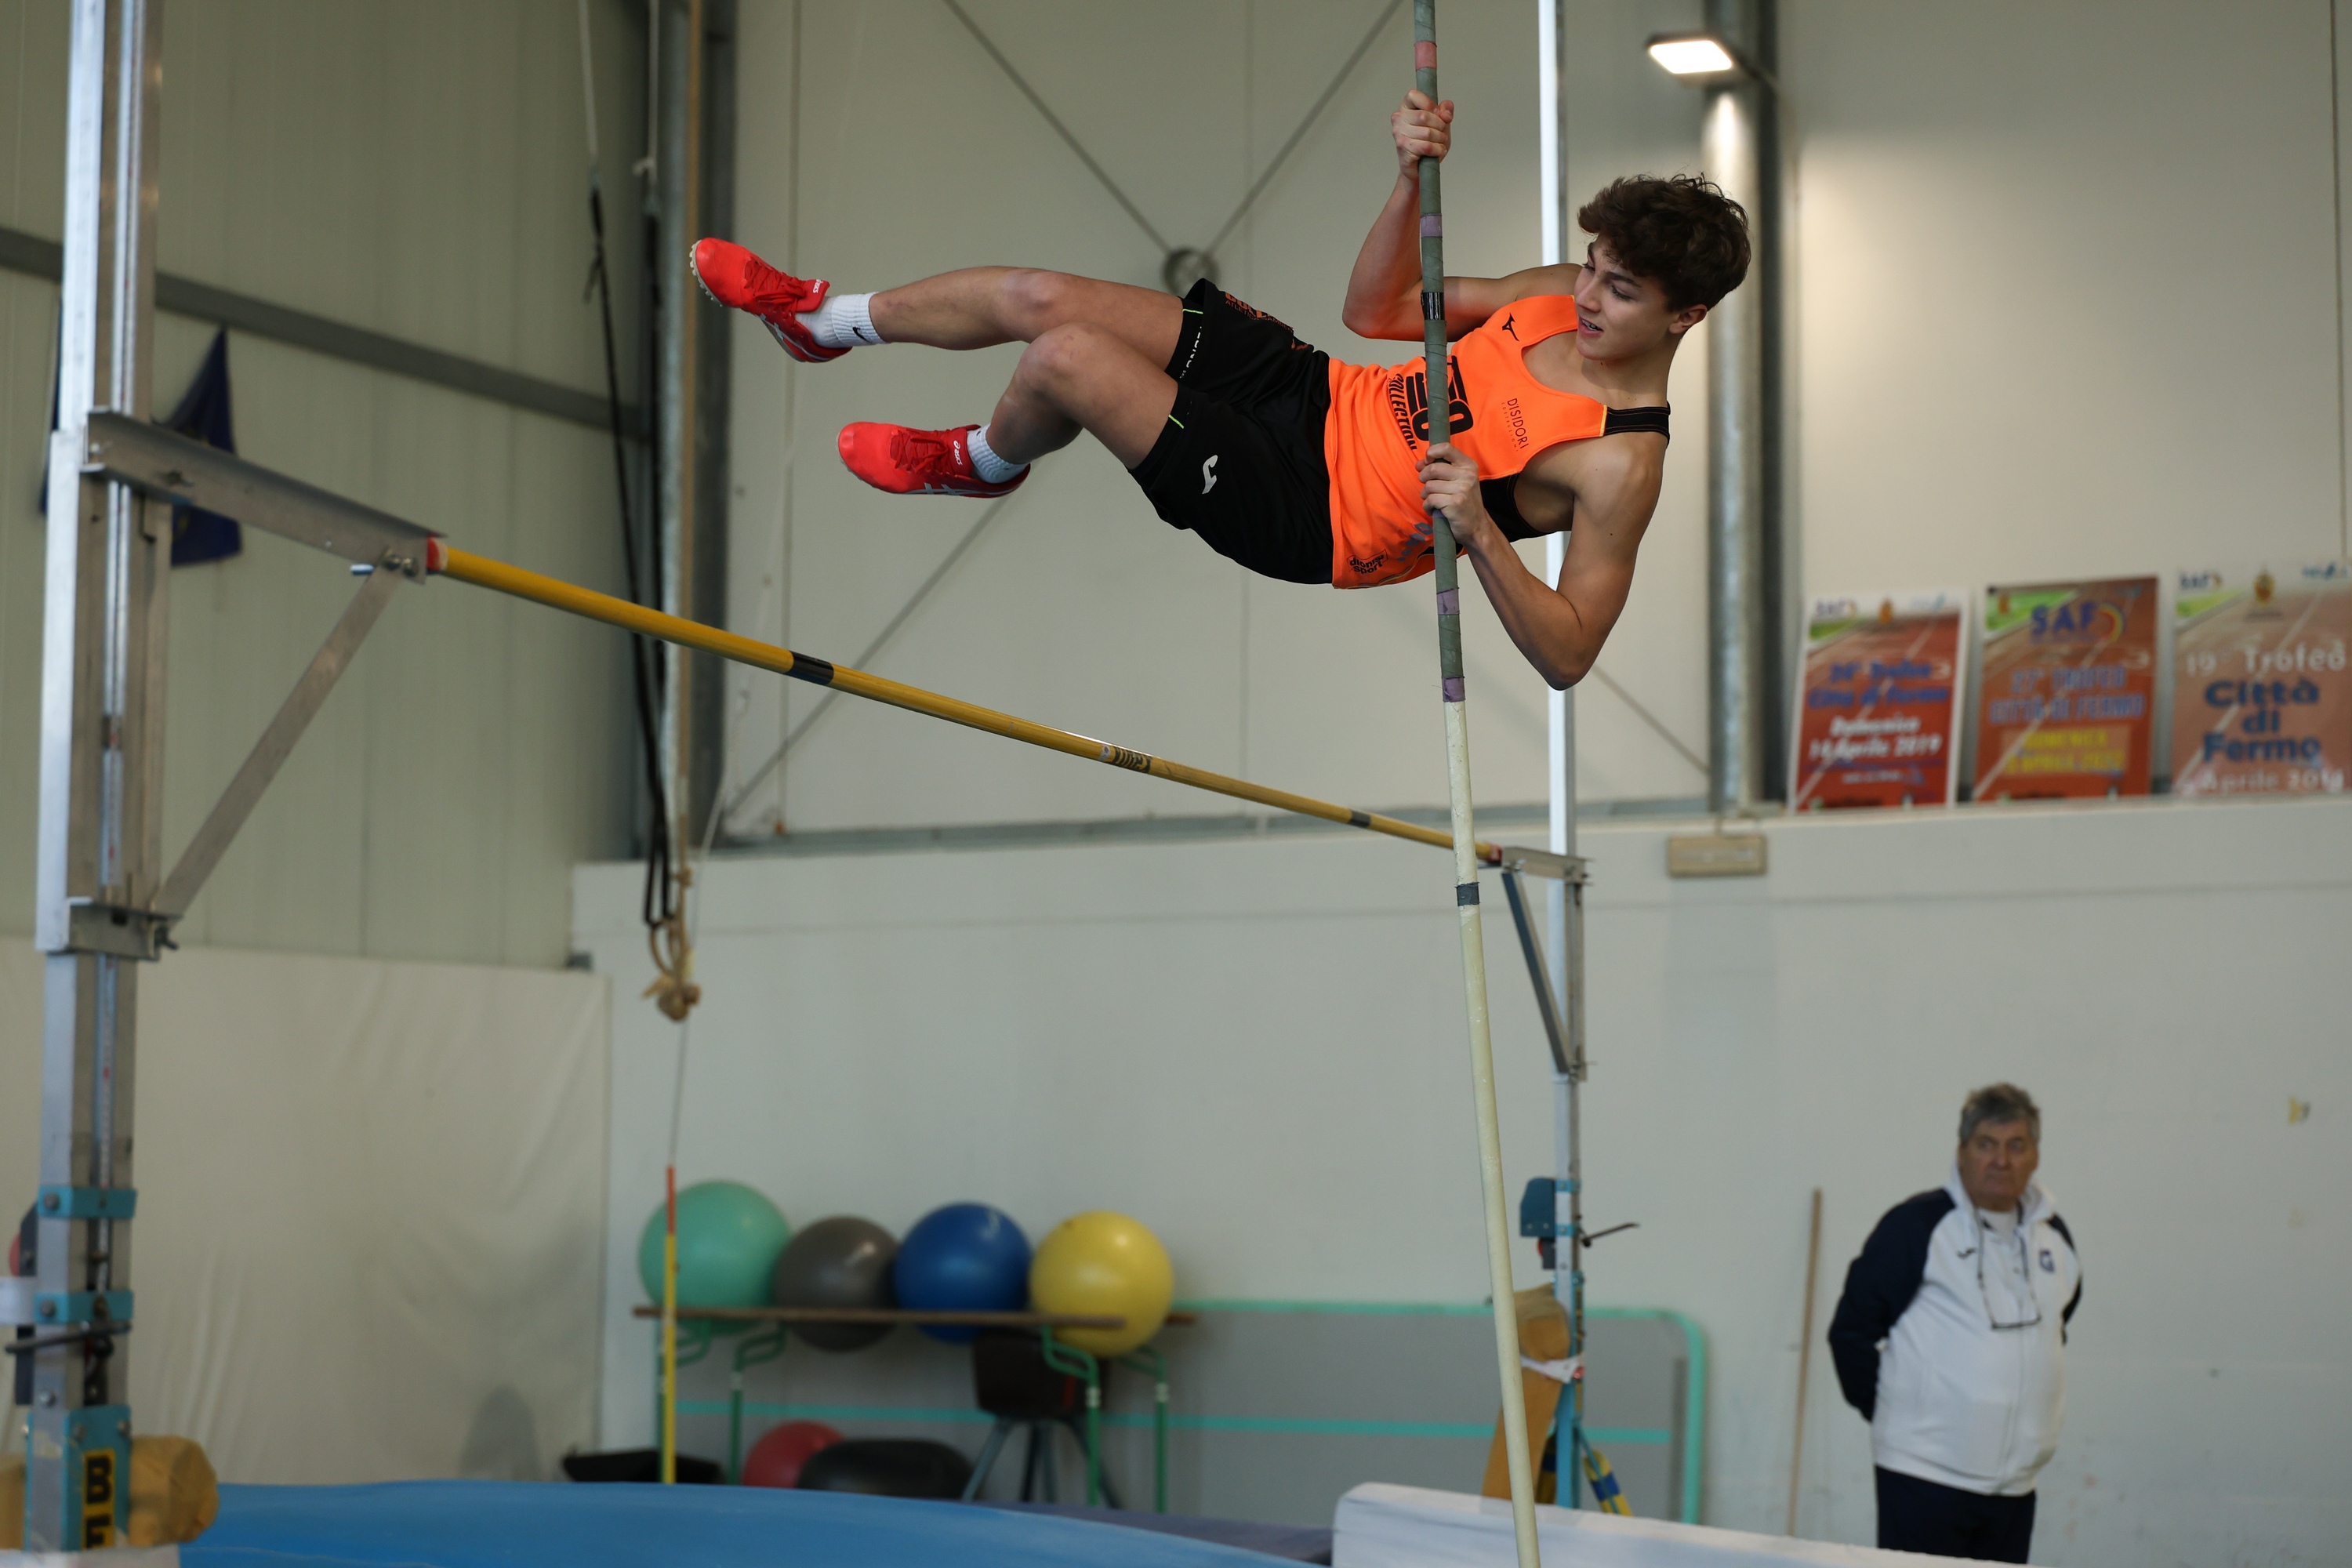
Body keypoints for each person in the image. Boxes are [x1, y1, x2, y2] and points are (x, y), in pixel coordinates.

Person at [690, 92, 1748, 689]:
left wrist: (1478, 529)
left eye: (1620, 290)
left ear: (1686, 316)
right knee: (1039, 295)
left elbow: (1569, 653)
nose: (1588, 296)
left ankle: (982, 462)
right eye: (1592, 268)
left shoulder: (1622, 460)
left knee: (1062, 358)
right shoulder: (1555, 295)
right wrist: (1404, 181)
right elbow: (1375, 309)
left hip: (1310, 512)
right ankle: (822, 320)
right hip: (1317, 390)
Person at [1827, 1084, 2083, 1563]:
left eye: (2016, 1145)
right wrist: (1898, 1410)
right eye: (1986, 1144)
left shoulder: (2054, 1237)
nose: (2001, 1160)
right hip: (1925, 1475)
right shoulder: (1917, 1227)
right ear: (1962, 1152)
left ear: (2035, 1156)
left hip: (2014, 1485)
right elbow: (1851, 1334)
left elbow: (2055, 1327)